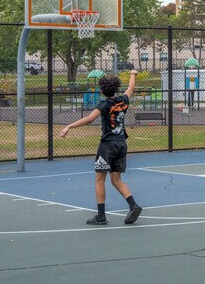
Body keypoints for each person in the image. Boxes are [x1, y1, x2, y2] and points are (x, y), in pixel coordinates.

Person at [60, 70, 143, 225]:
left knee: (99, 179)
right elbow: (130, 89)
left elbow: (90, 119)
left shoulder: (104, 104)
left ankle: (101, 216)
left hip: (107, 145)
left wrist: (69, 126)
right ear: (116, 89)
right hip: (121, 144)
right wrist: (133, 74)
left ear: (102, 90)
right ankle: (133, 205)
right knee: (116, 179)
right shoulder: (123, 101)